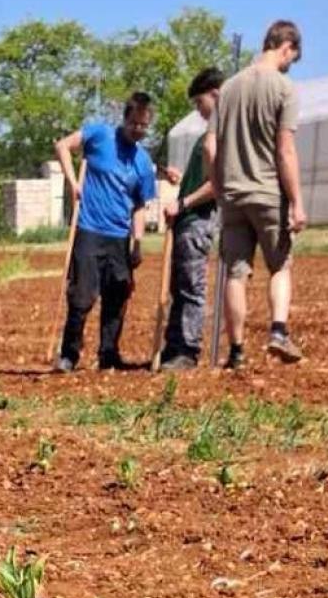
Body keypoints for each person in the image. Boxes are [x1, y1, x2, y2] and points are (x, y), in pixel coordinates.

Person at [207, 20, 307, 368]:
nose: (290, 64)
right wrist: (297, 202)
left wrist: (220, 189)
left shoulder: (229, 89)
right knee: (279, 265)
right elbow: (285, 151)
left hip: (233, 196)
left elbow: (210, 147)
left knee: (236, 272)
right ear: (286, 47)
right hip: (267, 193)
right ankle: (278, 331)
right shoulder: (284, 88)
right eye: (292, 57)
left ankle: (236, 352)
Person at [52, 93, 158, 371]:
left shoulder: (143, 162)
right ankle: (69, 354)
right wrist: (73, 182)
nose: (139, 130)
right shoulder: (99, 135)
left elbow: (139, 206)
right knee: (81, 295)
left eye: (144, 126)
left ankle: (108, 353)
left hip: (119, 237)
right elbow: (63, 146)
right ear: (125, 118)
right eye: (135, 124)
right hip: (89, 229)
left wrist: (137, 242)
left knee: (118, 295)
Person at [157, 67, 223, 369]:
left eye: (200, 103)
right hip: (187, 221)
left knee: (191, 289)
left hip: (197, 221)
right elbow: (202, 179)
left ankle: (187, 351)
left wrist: (182, 202)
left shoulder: (222, 134)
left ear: (215, 95)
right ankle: (173, 348)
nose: (198, 110)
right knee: (179, 287)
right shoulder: (207, 134)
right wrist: (183, 181)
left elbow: (216, 185)